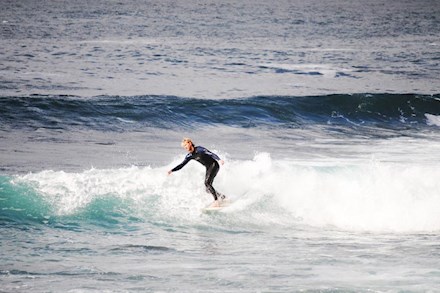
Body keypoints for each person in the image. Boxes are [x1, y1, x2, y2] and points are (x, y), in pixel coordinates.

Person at [168, 138, 226, 207]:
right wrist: (172, 170)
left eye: (185, 146)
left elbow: (211, 154)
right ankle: (222, 197)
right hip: (208, 167)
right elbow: (181, 165)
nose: (185, 148)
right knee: (207, 189)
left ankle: (216, 201)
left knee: (207, 183)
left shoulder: (200, 149)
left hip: (214, 165)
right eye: (184, 147)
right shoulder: (189, 156)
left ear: (189, 143)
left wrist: (219, 159)